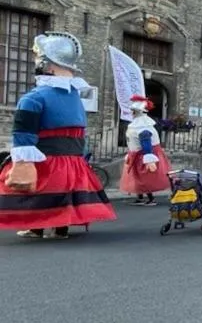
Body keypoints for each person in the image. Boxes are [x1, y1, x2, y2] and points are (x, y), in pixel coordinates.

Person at [0, 32, 116, 239]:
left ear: (49, 65)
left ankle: (36, 227)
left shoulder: (34, 98)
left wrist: (22, 161)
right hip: (72, 161)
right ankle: (61, 229)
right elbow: (80, 132)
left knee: (37, 194)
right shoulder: (75, 99)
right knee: (65, 194)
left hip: (47, 159)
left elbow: (23, 132)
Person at [119, 94, 171, 206]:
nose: (132, 113)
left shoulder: (143, 127)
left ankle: (150, 198)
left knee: (146, 177)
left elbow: (146, 142)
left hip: (143, 155)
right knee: (136, 177)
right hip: (136, 154)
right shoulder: (137, 125)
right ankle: (140, 196)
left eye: (133, 111)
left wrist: (149, 159)